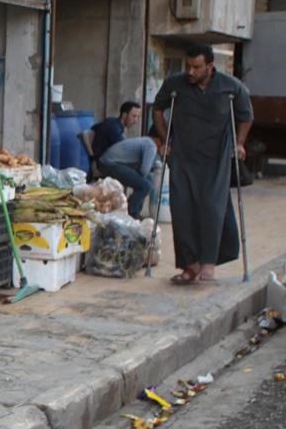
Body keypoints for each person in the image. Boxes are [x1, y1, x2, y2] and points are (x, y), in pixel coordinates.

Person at [152, 43, 253, 284]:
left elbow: (246, 115)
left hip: (217, 157)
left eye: (196, 67)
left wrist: (239, 143)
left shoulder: (230, 86)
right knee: (182, 210)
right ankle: (190, 265)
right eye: (188, 66)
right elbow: (158, 109)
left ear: (210, 66)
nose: (190, 71)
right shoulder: (175, 84)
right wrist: (165, 140)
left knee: (212, 209)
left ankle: (208, 262)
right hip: (183, 156)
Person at [91, 102, 154, 219]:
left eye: (138, 117)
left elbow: (94, 128)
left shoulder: (112, 123)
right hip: (108, 164)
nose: (136, 120)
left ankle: (134, 209)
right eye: (133, 116)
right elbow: (121, 151)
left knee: (148, 178)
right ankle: (130, 213)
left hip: (112, 161)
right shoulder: (114, 129)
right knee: (145, 185)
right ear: (124, 115)